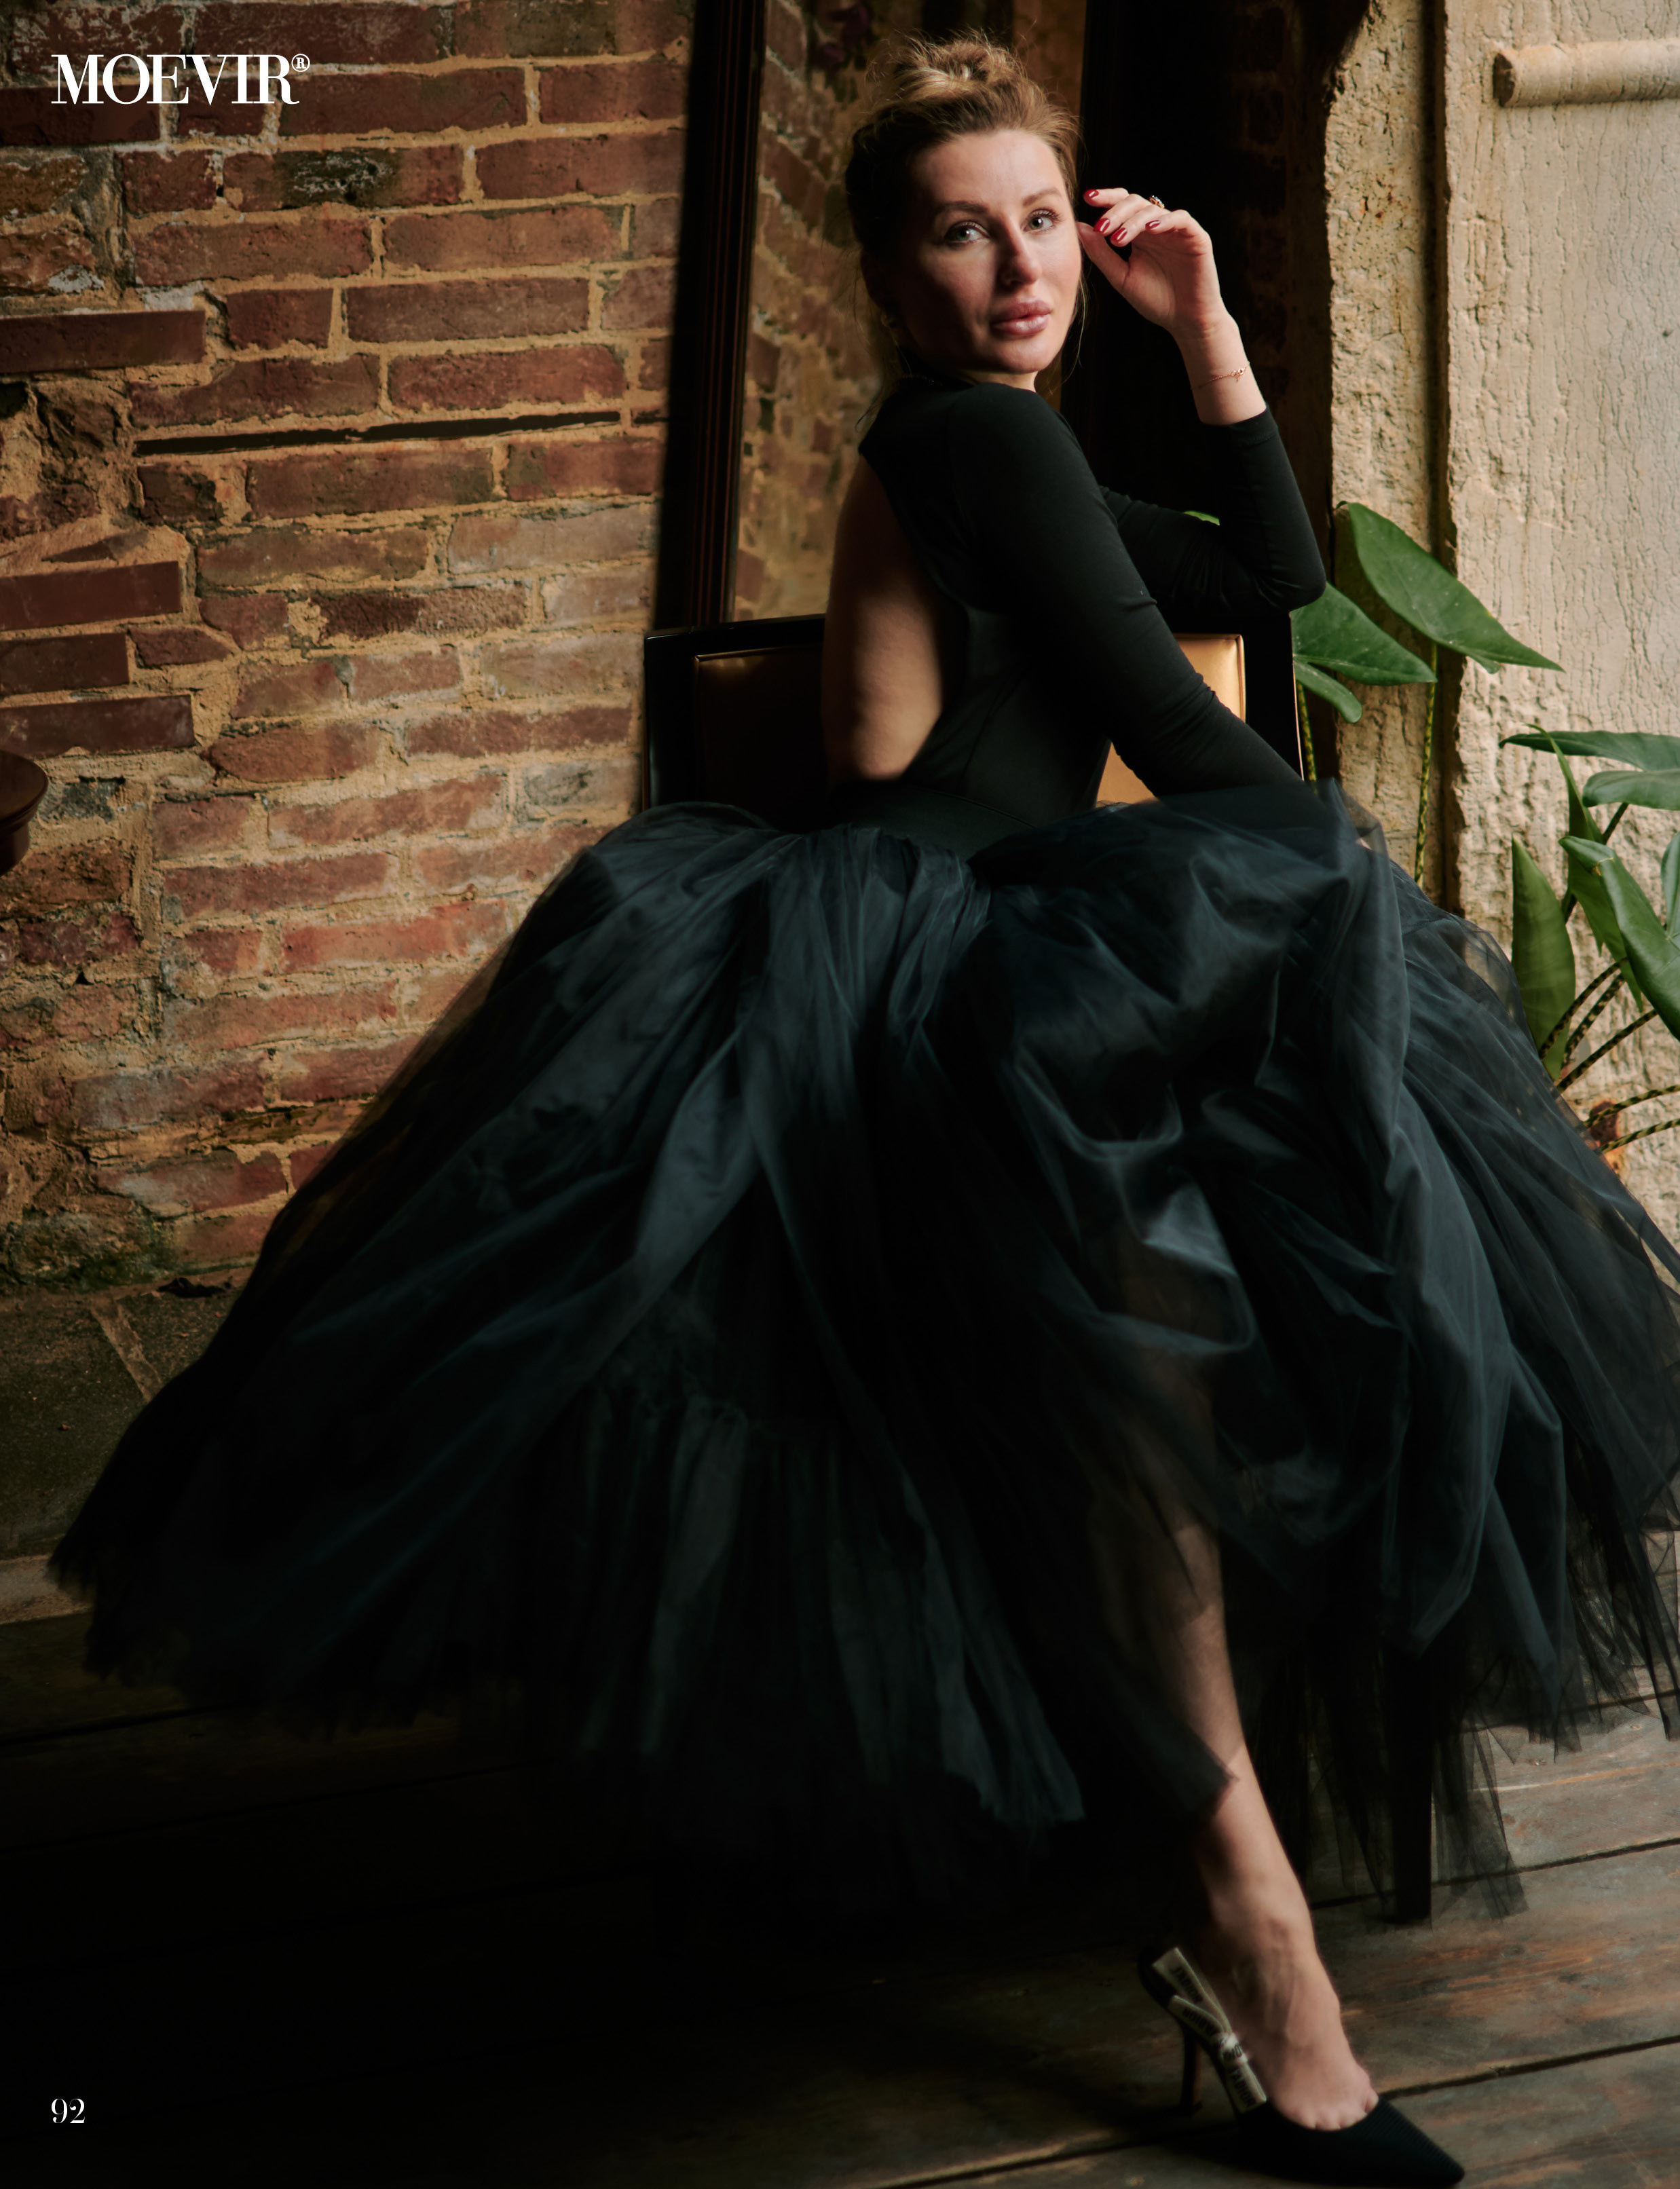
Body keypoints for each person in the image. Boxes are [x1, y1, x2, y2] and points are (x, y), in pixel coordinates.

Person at [53, 37, 1679, 2188]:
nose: (1018, 267)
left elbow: (1272, 585)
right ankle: (1248, 1922)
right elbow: (1177, 731)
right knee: (1157, 1313)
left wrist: (1199, 315)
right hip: (919, 961)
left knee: (1198, 1311)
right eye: (958, 233)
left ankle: (1197, 1843)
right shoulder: (963, 436)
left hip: (1008, 943)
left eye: (1042, 222)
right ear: (885, 276)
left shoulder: (1013, 442)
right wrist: (1365, 916)